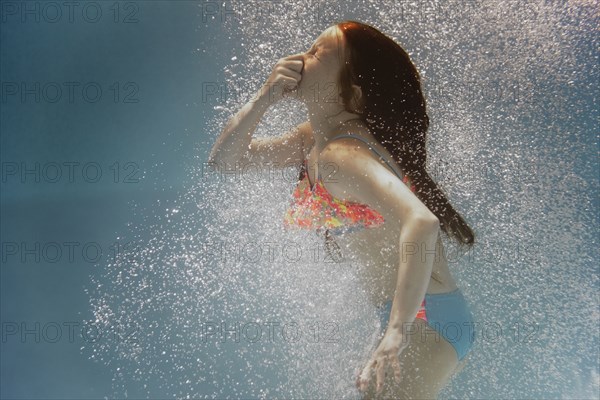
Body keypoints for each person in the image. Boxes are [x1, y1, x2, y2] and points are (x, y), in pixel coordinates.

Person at [209, 20, 476, 400]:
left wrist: (396, 333)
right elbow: (225, 161)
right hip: (423, 317)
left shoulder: (342, 154)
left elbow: (421, 221)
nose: (301, 57)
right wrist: (264, 98)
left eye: (318, 53)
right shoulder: (313, 141)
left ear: (349, 92)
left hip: (422, 321)